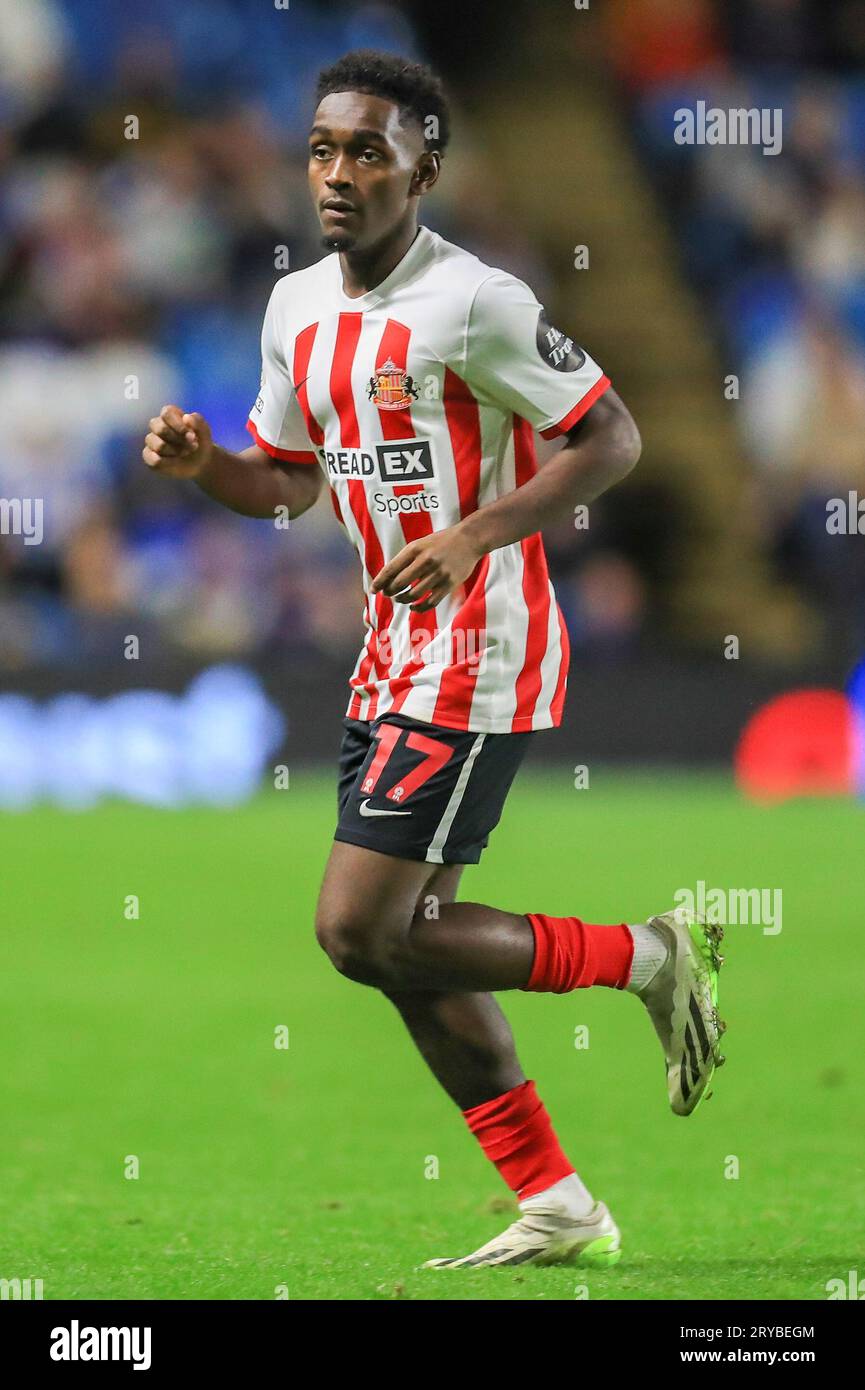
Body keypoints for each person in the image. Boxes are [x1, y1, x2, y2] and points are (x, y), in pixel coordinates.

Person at [142, 49, 726, 1269]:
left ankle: (644, 954)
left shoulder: (477, 302)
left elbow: (608, 435)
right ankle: (558, 1202)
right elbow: (291, 483)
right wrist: (209, 469)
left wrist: (473, 530)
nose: (338, 173)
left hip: (481, 648)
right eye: (321, 149)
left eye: (368, 150)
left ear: (425, 165)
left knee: (358, 929)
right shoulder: (294, 308)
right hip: (391, 648)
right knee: (408, 946)